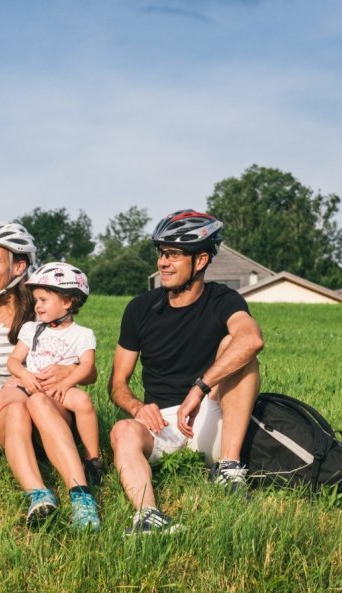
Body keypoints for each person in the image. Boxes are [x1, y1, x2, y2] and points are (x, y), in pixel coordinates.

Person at [108, 209, 264, 534]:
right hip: (161, 424)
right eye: (162, 254)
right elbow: (117, 385)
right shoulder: (139, 309)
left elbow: (251, 339)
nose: (163, 262)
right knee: (122, 430)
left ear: (201, 260)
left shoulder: (223, 299)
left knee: (234, 347)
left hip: (210, 416)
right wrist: (138, 408)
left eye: (174, 254)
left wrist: (199, 388)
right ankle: (148, 517)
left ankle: (229, 468)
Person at [0, 224, 101, 530]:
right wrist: (2, 393)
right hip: (8, 410)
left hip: (49, 405)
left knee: (39, 403)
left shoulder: (44, 311)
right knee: (18, 407)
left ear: (18, 266)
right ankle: (39, 494)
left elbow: (90, 373)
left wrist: (69, 371)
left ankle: (81, 493)